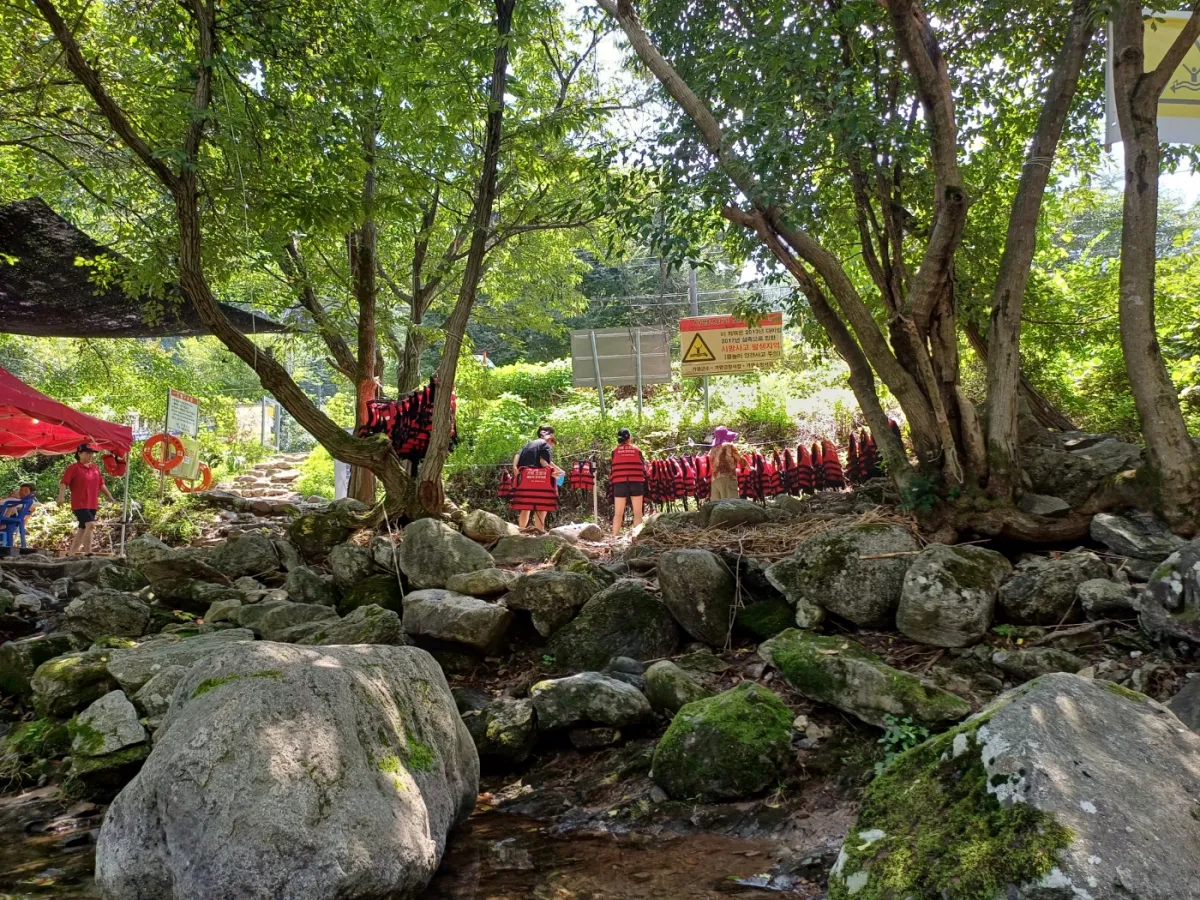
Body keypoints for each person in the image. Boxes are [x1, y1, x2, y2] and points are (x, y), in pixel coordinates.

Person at [58, 444, 114, 556]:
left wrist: (110, 496)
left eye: (91, 453)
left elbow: (101, 485)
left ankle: (71, 553)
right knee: (91, 525)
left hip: (92, 504)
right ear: (79, 453)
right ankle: (88, 552)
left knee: (82, 528)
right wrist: (61, 497)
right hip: (79, 504)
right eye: (87, 453)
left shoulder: (95, 469)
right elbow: (64, 483)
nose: (90, 455)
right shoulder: (73, 468)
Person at [510, 426, 563, 533]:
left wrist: (514, 467)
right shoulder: (546, 445)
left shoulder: (528, 444)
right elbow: (543, 461)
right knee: (541, 507)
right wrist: (554, 473)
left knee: (525, 507)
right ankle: (539, 532)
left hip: (524, 479)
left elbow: (517, 455)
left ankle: (521, 530)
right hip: (539, 480)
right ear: (551, 436)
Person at [610, 427, 646, 535]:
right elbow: (643, 465)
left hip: (620, 483)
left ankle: (614, 538)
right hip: (636, 482)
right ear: (629, 438)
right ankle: (637, 538)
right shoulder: (637, 450)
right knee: (638, 513)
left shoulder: (614, 451)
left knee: (618, 513)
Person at [708, 425, 743, 501]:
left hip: (715, 480)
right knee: (732, 504)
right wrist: (750, 468)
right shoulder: (729, 446)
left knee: (718, 507)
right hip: (727, 477)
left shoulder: (712, 450)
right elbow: (740, 459)